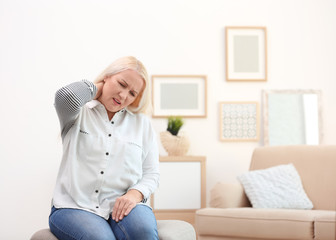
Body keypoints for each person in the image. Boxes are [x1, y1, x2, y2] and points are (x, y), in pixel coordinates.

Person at [49, 56, 160, 240]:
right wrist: (97, 88)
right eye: (122, 84)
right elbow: (66, 96)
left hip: (125, 206)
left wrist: (134, 194)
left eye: (132, 93)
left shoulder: (142, 124)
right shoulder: (78, 112)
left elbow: (151, 173)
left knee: (144, 232)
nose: (124, 96)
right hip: (74, 207)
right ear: (107, 76)